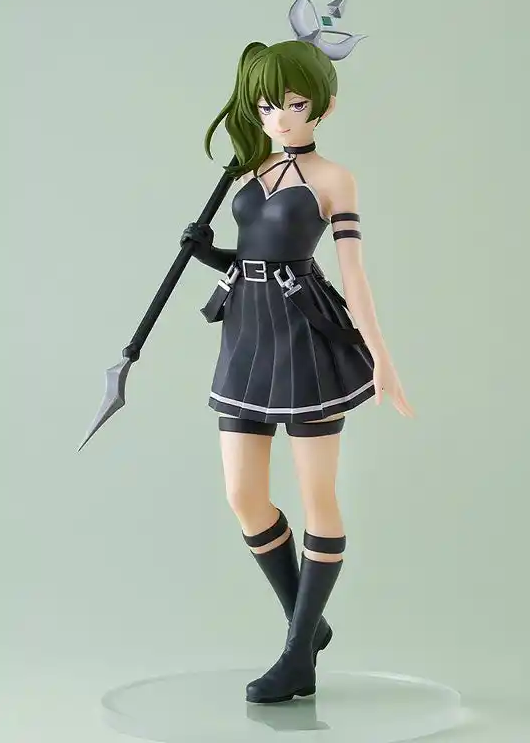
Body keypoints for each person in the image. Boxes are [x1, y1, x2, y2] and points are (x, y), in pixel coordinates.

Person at [181, 36, 414, 704]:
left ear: (323, 106)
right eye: (265, 106)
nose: (278, 118)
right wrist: (208, 254)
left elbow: (352, 274)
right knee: (243, 495)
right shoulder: (250, 173)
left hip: (306, 335)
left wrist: (381, 355)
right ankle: (306, 626)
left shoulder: (333, 179)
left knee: (318, 496)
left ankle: (296, 655)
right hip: (246, 333)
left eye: (293, 104)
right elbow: (249, 258)